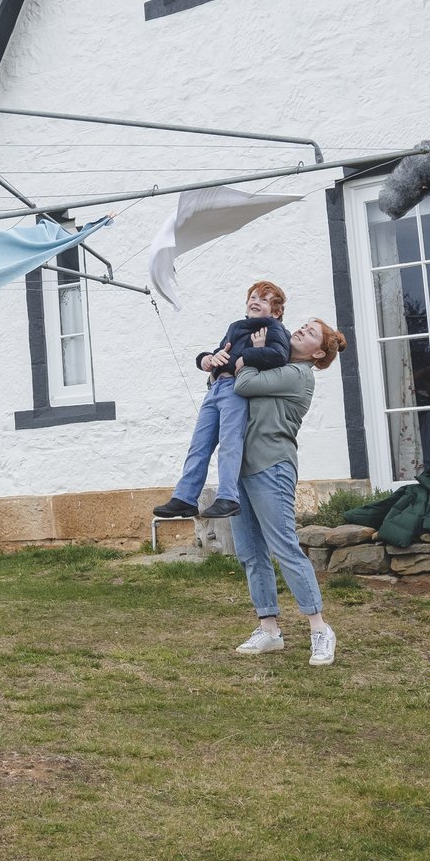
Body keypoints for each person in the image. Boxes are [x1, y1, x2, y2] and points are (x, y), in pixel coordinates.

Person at [227, 317, 347, 666]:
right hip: (240, 469)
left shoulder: (298, 375)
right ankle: (269, 630)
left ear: (318, 352)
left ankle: (320, 629)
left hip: (272, 467)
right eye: (302, 326)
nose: (299, 331)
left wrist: (256, 352)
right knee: (250, 551)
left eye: (310, 333)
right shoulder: (278, 364)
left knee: (284, 547)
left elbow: (244, 383)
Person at [154, 281, 291, 521]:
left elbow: (280, 355)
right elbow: (220, 352)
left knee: (230, 442)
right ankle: (185, 497)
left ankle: (228, 497)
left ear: (276, 311)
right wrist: (206, 359)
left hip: (235, 391)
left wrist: (247, 356)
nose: (256, 301)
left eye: (264, 299)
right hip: (215, 389)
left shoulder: (272, 328)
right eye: (253, 297)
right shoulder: (236, 327)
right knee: (199, 444)